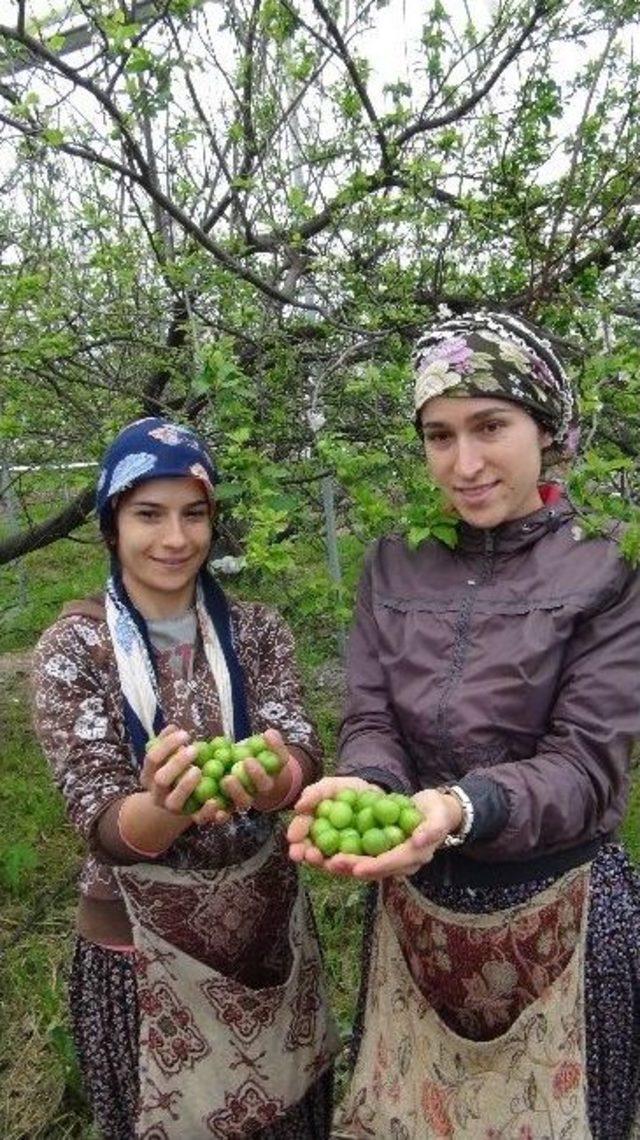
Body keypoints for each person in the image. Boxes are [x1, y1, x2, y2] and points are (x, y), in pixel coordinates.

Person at [287, 312, 640, 1140]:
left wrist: (456, 806)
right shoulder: (393, 562)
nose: (465, 462)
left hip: (560, 921)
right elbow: (371, 715)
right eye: (439, 435)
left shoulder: (605, 566)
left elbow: (585, 767)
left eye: (491, 426)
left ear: (545, 429)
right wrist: (370, 784)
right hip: (418, 924)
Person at [31, 417, 338, 1140]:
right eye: (149, 514)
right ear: (111, 524)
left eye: (193, 514)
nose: (175, 538)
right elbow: (101, 821)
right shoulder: (76, 650)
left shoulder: (258, 631)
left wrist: (276, 779)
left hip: (269, 945)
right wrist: (162, 808)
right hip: (140, 966)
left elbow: (300, 749)